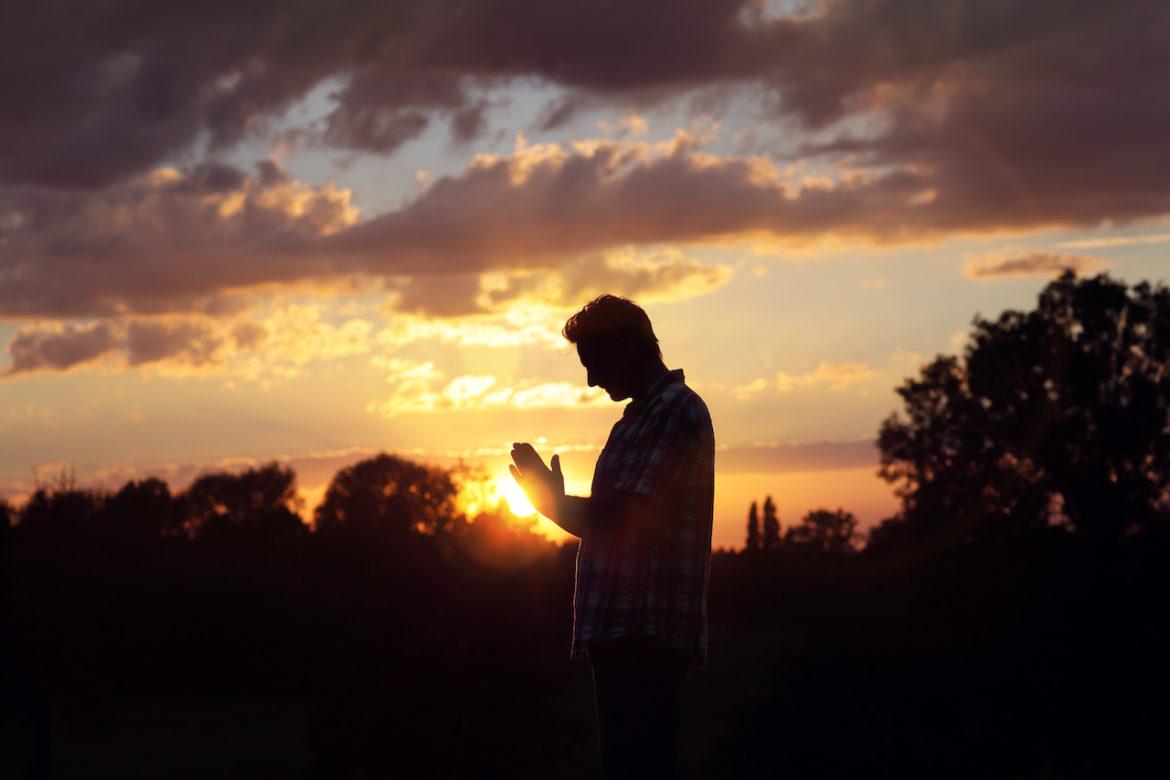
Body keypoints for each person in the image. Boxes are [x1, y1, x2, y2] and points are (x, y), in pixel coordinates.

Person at [509, 294, 715, 780]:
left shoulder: (673, 410)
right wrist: (551, 505)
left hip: (644, 630)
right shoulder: (639, 419)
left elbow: (630, 512)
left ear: (628, 346)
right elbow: (604, 525)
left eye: (593, 362)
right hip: (623, 630)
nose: (591, 379)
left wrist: (554, 504)